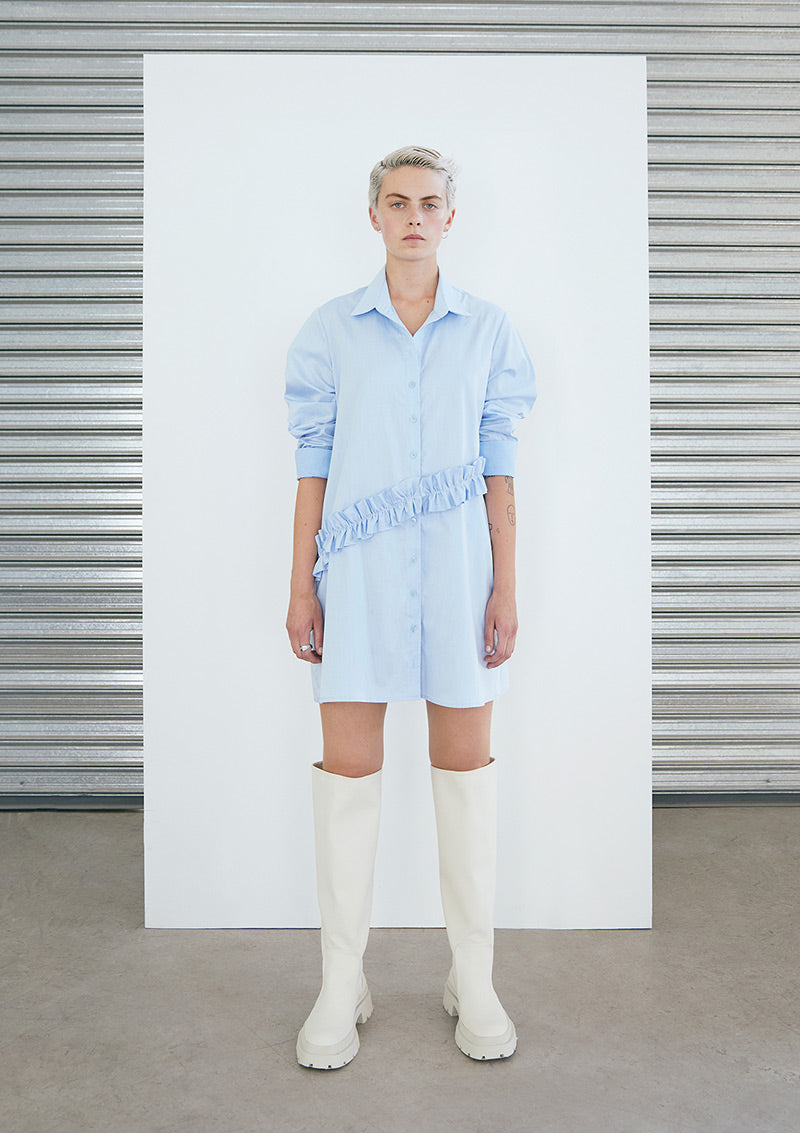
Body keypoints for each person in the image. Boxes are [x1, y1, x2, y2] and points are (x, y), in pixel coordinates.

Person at [284, 145, 536, 1069]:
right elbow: (313, 467)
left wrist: (506, 584)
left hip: (459, 578)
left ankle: (474, 977)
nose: (414, 218)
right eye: (398, 203)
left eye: (430, 203)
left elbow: (501, 473)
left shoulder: (490, 331)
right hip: (356, 575)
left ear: (451, 218)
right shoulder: (330, 332)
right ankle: (340, 981)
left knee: (466, 775)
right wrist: (301, 582)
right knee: (347, 776)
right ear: (375, 216)